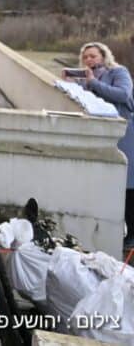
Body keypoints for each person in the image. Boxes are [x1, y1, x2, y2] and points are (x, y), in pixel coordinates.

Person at [67, 42, 134, 246]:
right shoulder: (85, 80)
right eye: (85, 57)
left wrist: (93, 83)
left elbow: (123, 95)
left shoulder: (118, 72)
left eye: (93, 56)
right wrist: (70, 85)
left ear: (104, 57)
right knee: (112, 187)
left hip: (125, 134)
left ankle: (131, 234)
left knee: (129, 185)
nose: (89, 60)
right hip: (102, 135)